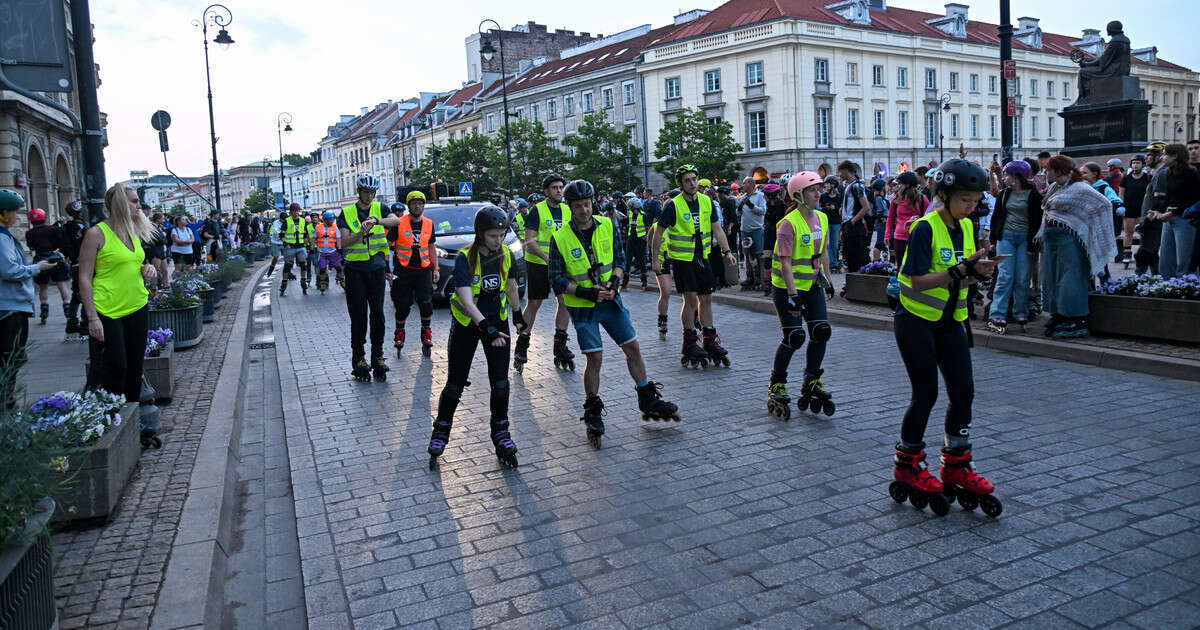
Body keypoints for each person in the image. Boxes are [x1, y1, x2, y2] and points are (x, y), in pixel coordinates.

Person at [890, 159, 1000, 518]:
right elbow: (915, 281)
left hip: (952, 320)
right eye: (965, 199)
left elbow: (961, 277)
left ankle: (956, 463)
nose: (972, 206)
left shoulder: (966, 227)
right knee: (926, 394)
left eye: (976, 200)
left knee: (963, 392)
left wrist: (977, 272)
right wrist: (960, 270)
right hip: (916, 320)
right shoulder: (924, 228)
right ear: (945, 194)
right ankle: (907, 462)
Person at [548, 180, 680, 448]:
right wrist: (586, 293)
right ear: (570, 208)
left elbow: (620, 261)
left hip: (612, 301)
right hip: (584, 306)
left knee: (632, 346)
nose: (584, 210)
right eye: (577, 207)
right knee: (594, 358)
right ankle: (593, 408)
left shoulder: (606, 224)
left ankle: (647, 396)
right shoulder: (560, 237)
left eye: (587, 204)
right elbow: (556, 279)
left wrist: (614, 283)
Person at [428, 205, 523, 469]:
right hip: (468, 325)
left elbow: (511, 285)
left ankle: (501, 433)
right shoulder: (464, 258)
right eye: (494, 235)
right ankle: (441, 430)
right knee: (455, 384)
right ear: (481, 234)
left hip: (497, 321)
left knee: (501, 383)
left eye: (502, 234)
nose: (499, 240)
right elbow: (465, 299)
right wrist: (484, 326)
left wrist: (518, 314)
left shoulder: (505, 254)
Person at [649, 164, 738, 369]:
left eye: (694, 179)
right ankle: (689, 341)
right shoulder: (673, 205)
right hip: (682, 260)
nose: (692, 183)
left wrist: (727, 251)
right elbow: (658, 233)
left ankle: (709, 338)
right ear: (680, 184)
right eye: (687, 180)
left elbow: (718, 229)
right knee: (690, 300)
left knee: (706, 299)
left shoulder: (707, 202)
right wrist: (656, 259)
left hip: (702, 256)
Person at [78, 183, 158, 404]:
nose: (138, 206)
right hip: (108, 309)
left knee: (135, 367)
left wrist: (145, 268)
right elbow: (84, 277)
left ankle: (132, 419)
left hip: (137, 304)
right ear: (120, 204)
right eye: (133, 201)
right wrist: (92, 317)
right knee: (115, 367)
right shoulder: (96, 234)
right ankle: (111, 416)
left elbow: (132, 263)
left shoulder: (132, 231)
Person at [766, 172, 835, 421]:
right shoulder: (788, 224)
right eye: (813, 190)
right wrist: (793, 295)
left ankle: (812, 380)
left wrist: (828, 281)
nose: (819, 194)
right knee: (794, 337)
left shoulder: (823, 218)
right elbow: (785, 264)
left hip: (813, 285)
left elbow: (823, 253)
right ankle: (777, 383)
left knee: (821, 332)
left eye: (819, 189)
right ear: (798, 195)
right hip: (787, 288)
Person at [1038, 155, 1118, 338]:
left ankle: (1076, 317)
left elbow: (1104, 204)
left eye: (1049, 169)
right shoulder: (1054, 187)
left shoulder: (1080, 188)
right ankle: (1058, 313)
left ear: (1059, 171)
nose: (1046, 172)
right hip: (1052, 239)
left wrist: (1089, 228)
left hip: (1071, 240)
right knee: (1052, 277)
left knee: (1071, 279)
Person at [339, 174, 401, 381]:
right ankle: (358, 358)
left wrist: (376, 221)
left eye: (372, 192)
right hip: (355, 270)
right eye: (366, 192)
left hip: (375, 269)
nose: (370, 195)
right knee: (358, 316)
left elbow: (396, 220)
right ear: (358, 191)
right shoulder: (347, 212)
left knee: (377, 314)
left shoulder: (379, 208)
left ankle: (378, 356)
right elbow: (344, 242)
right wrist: (361, 232)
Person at [0, 190, 56, 406]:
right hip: (9, 306)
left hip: (11, 304)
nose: (15, 216)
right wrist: (37, 267)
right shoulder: (2, 238)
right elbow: (10, 270)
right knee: (10, 356)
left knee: (11, 356)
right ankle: (6, 400)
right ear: (4, 213)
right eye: (13, 211)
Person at [517, 173, 575, 373]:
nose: (559, 191)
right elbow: (529, 240)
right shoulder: (537, 211)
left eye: (560, 187)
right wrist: (546, 257)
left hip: (560, 265)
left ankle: (560, 344)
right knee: (535, 303)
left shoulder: (568, 210)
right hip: (538, 263)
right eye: (554, 188)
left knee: (565, 302)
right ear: (546, 191)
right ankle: (522, 342)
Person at [985, 160, 1043, 334]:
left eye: (1007, 174)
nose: (1005, 178)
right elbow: (997, 217)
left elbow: (1037, 221)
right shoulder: (1005, 194)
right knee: (1005, 276)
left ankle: (1020, 312)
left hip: (1025, 238)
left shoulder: (1033, 195)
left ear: (1017, 176)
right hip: (1007, 237)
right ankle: (997, 313)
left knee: (1022, 278)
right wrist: (994, 240)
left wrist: (1033, 245)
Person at [388, 191, 438, 357]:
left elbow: (431, 247)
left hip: (423, 270)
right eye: (414, 203)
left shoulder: (429, 223)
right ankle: (400, 332)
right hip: (403, 270)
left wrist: (435, 269)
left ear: (424, 205)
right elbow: (389, 246)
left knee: (426, 303)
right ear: (409, 206)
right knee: (403, 306)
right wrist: (388, 270)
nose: (418, 206)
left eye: (420, 203)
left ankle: (426, 332)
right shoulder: (398, 223)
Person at [1148, 143, 1200, 278]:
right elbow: (1168, 197)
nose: (1162, 158)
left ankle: (1185, 288)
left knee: (1184, 260)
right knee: (1166, 259)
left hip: (1185, 219)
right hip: (1169, 217)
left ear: (1175, 156)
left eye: (1165, 154)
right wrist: (1158, 212)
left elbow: (1193, 199)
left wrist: (1173, 212)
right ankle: (1167, 287)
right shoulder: (1168, 172)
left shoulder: (1191, 173)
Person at [23, 207, 70, 325]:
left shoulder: (29, 233)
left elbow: (32, 247)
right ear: (44, 217)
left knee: (43, 287)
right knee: (62, 286)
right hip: (55, 258)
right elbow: (60, 241)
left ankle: (44, 312)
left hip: (40, 260)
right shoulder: (54, 229)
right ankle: (68, 310)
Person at [885, 172, 929, 269]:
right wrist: (887, 234)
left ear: (908, 185)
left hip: (917, 238)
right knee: (900, 267)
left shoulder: (922, 199)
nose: (898, 186)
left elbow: (928, 218)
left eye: (900, 183)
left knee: (916, 267)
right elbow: (890, 218)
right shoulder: (896, 199)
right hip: (899, 238)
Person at [838, 161, 872, 276]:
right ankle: (852, 282)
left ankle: (859, 283)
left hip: (854, 227)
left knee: (857, 257)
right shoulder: (849, 185)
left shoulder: (857, 185)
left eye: (841, 171)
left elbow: (866, 207)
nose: (840, 174)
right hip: (848, 225)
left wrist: (852, 221)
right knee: (849, 256)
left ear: (847, 170)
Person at [60, 201, 88, 337]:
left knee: (77, 294)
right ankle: (83, 324)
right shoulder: (75, 227)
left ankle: (72, 322)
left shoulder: (70, 226)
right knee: (83, 293)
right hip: (80, 263)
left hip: (77, 262)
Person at [1118, 154, 1150, 265]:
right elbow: (1121, 193)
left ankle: (1144, 253)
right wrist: (1121, 206)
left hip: (1142, 208)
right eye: (1133, 163)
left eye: (1138, 163)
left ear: (1143, 164)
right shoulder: (1126, 177)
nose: (1135, 165)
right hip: (1129, 207)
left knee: (1143, 231)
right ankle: (1126, 254)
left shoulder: (1147, 177)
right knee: (1128, 232)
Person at [735, 177, 766, 290]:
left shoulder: (760, 196)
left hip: (756, 229)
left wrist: (751, 205)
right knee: (747, 254)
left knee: (758, 254)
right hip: (745, 230)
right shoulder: (743, 197)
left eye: (743, 183)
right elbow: (737, 213)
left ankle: (759, 277)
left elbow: (762, 211)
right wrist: (739, 207)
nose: (742, 186)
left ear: (751, 184)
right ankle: (749, 277)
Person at [278, 203, 314, 297]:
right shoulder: (287, 221)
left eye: (298, 210)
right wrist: (285, 244)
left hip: (301, 247)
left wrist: (308, 246)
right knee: (287, 267)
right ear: (291, 212)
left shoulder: (303, 221)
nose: (296, 212)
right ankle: (283, 286)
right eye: (295, 211)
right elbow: (281, 235)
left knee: (303, 265)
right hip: (290, 247)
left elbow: (305, 235)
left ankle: (303, 283)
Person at [761, 183, 787, 296]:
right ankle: (768, 283)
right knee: (767, 261)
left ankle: (780, 283)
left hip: (779, 235)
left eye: (765, 195)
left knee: (780, 260)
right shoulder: (767, 205)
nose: (764, 197)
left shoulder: (782, 206)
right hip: (768, 234)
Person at [313, 211, 344, 294]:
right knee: (322, 269)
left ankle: (343, 282)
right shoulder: (318, 227)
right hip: (321, 252)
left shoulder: (335, 227)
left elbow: (338, 238)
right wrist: (312, 248)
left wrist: (340, 248)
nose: (332, 221)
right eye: (330, 220)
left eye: (333, 219)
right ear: (325, 220)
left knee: (339, 268)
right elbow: (314, 238)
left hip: (332, 252)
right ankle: (323, 284)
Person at [622, 197, 648, 291]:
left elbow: (647, 227)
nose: (632, 209)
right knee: (628, 261)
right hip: (631, 239)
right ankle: (625, 283)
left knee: (641, 261)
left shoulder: (643, 215)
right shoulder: (629, 214)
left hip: (640, 240)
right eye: (631, 208)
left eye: (632, 207)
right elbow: (627, 222)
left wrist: (646, 237)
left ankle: (644, 283)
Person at [819, 176, 843, 272]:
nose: (826, 185)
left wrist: (835, 208)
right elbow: (820, 208)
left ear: (833, 185)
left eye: (828, 184)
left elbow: (841, 209)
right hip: (826, 221)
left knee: (834, 244)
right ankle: (830, 263)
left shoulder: (839, 196)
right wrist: (826, 208)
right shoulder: (823, 196)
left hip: (836, 222)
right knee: (827, 244)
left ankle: (834, 262)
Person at [868, 179, 890, 262]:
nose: (887, 187)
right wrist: (883, 218)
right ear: (881, 188)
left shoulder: (881, 197)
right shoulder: (879, 198)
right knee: (880, 242)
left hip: (882, 222)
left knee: (882, 241)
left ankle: (877, 260)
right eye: (885, 185)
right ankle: (876, 261)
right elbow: (880, 211)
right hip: (881, 222)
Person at [265, 211, 284, 277]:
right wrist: (283, 234)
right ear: (280, 218)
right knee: (276, 257)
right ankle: (271, 270)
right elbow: (276, 232)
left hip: (283, 242)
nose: (284, 220)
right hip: (275, 242)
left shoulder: (287, 222)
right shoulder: (276, 223)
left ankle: (288, 272)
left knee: (288, 257)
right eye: (283, 219)